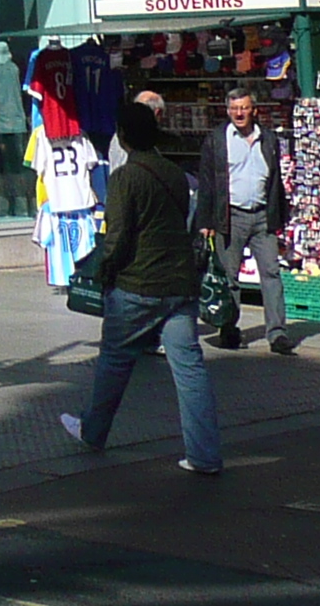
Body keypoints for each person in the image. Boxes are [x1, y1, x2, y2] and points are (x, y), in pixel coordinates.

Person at [61, 100, 221, 476]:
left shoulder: (125, 177)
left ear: (123, 136)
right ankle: (204, 454)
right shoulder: (175, 174)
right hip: (179, 283)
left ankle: (93, 430)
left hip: (138, 283)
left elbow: (117, 234)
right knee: (190, 369)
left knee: (114, 360)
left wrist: (104, 271)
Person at [195, 87, 295, 354]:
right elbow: (206, 183)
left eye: (244, 108)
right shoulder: (217, 140)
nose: (239, 113)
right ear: (228, 111)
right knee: (230, 277)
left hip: (263, 215)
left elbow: (276, 182)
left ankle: (277, 334)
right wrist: (205, 221)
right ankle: (229, 329)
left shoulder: (268, 139)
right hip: (231, 216)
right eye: (234, 108)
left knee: (271, 274)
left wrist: (280, 217)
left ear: (254, 110)